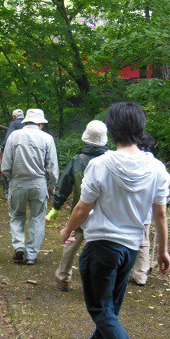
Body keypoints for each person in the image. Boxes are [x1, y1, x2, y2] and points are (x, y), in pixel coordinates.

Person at [60, 102, 170, 339]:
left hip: (101, 245)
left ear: (112, 129)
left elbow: (82, 208)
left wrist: (68, 229)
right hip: (130, 248)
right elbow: (160, 214)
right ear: (140, 128)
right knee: (110, 304)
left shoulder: (100, 165)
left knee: (100, 308)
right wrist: (162, 251)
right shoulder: (156, 168)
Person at [46, 120, 109, 292]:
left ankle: (65, 276)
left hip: (82, 212)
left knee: (72, 243)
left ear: (86, 138)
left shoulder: (77, 161)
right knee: (102, 248)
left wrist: (55, 208)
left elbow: (64, 186)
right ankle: (99, 283)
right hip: (107, 216)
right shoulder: (113, 161)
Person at [1, 109, 59, 265]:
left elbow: (5, 166)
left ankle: (19, 247)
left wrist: (11, 179)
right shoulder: (47, 138)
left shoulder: (14, 136)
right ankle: (32, 254)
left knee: (17, 215)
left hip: (17, 182)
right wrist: (51, 185)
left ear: (25, 121)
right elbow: (53, 168)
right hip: (39, 183)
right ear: (40, 123)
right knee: (37, 218)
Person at [131, 132, 170, 286]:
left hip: (124, 210)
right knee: (142, 242)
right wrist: (161, 201)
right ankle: (141, 273)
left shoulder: (127, 159)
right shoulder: (157, 165)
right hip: (146, 213)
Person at [0, 109, 25, 198]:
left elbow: (9, 136)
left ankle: (6, 191)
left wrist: (1, 146)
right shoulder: (28, 124)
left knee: (7, 167)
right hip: (26, 152)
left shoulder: (14, 123)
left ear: (15, 116)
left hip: (14, 150)